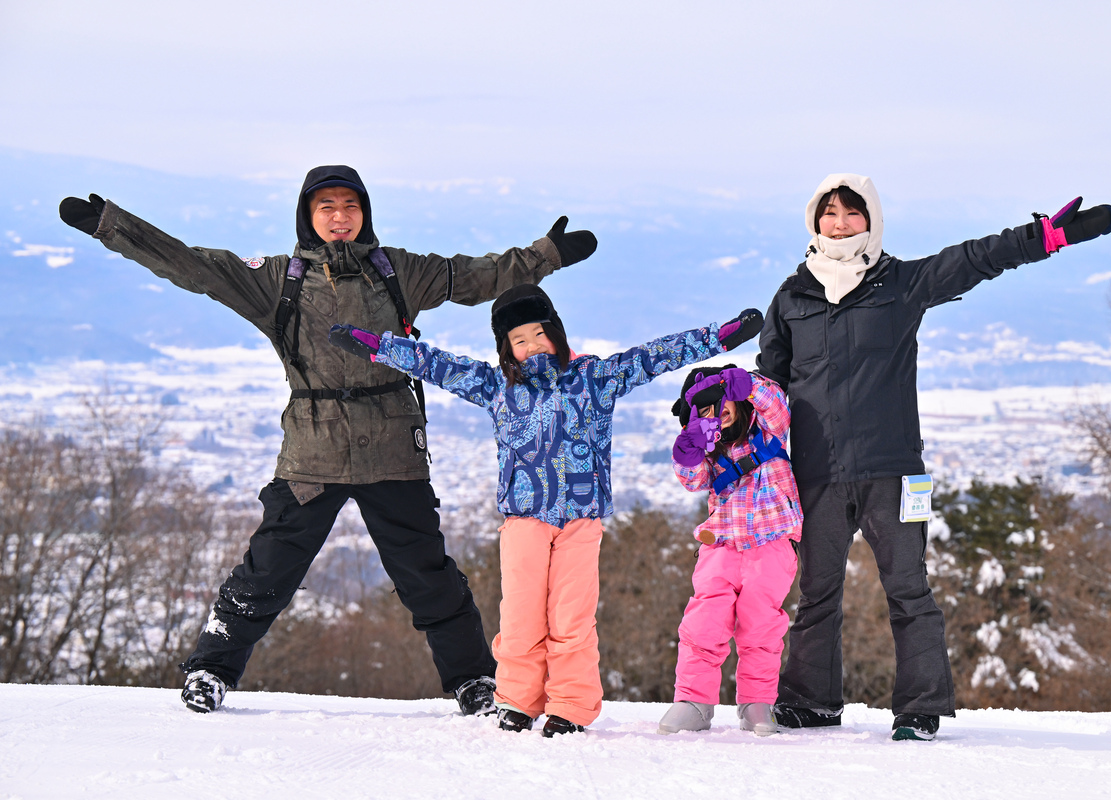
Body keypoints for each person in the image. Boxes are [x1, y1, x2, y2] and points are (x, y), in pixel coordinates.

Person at [58, 165, 598, 715]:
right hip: (313, 450)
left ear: (364, 212)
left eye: (350, 206)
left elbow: (476, 276)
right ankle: (210, 669)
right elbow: (195, 267)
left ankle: (472, 680)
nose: (339, 217)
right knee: (270, 564)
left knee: (426, 570)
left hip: (392, 443)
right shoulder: (278, 280)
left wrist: (545, 254)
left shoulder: (398, 272)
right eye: (326, 207)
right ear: (308, 216)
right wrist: (111, 224)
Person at [757, 173, 1111, 741]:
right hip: (817, 471)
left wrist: (1042, 238)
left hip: (892, 468)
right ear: (814, 221)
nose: (841, 224)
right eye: (830, 214)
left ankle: (921, 708)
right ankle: (812, 701)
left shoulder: (899, 283)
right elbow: (768, 386)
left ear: (870, 221)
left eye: (853, 214)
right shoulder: (792, 296)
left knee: (908, 588)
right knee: (815, 592)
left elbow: (974, 258)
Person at [330, 284, 763, 736]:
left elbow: (654, 356)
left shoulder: (595, 377)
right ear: (506, 348)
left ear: (556, 331)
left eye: (539, 333)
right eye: (520, 339)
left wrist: (720, 337)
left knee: (571, 618)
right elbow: (437, 365)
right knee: (519, 617)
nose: (533, 345)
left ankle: (571, 705)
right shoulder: (495, 385)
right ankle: (517, 699)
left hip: (580, 519)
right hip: (524, 519)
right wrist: (381, 347)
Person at [656, 365, 802, 737]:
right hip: (720, 546)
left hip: (770, 545)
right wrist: (688, 451)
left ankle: (757, 703)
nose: (715, 410)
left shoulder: (767, 432)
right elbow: (694, 482)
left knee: (761, 628)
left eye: (720, 401)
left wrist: (749, 385)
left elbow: (777, 408)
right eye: (703, 408)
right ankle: (693, 701)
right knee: (703, 625)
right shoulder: (710, 450)